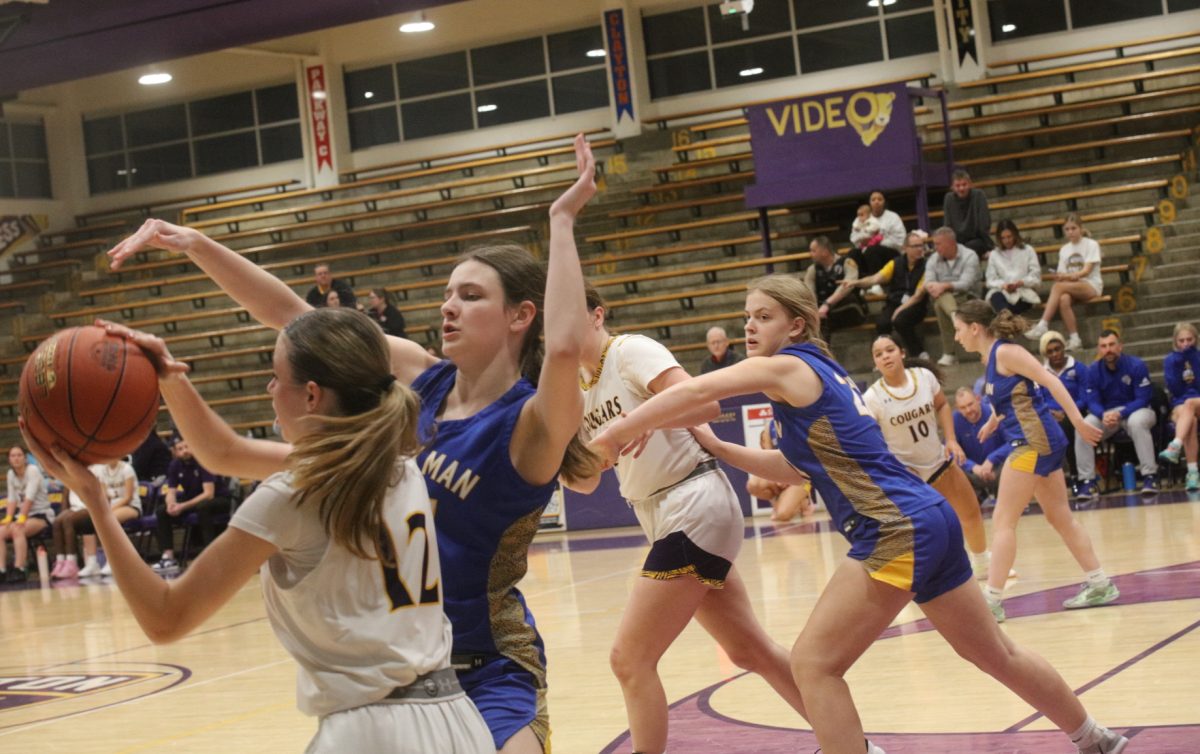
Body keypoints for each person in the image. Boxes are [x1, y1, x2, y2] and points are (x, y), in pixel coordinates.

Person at [105, 134, 602, 754]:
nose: (448, 306)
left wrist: (561, 219)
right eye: (448, 293)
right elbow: (297, 319)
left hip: (492, 669)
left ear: (521, 315)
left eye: (471, 296)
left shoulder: (529, 423)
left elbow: (564, 348)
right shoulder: (421, 383)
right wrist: (197, 244)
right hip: (402, 672)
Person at [589, 276, 1127, 754]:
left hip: (895, 528)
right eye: (747, 316)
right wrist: (720, 447)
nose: (749, 326)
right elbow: (797, 467)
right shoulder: (818, 375)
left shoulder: (786, 366)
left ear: (796, 325)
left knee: (813, 663)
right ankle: (1094, 738)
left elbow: (699, 388)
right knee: (995, 653)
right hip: (926, 518)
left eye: (763, 316)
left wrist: (619, 430)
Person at [21, 309, 493, 753]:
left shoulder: (292, 495)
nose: (269, 388)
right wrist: (169, 378)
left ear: (312, 395)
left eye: (276, 376)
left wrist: (98, 505)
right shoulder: (399, 465)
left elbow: (165, 617)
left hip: (374, 733)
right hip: (457, 721)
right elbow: (223, 452)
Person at [565, 284, 813, 754]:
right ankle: (853, 744)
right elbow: (586, 481)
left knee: (629, 659)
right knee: (750, 651)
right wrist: (542, 459)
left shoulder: (629, 352)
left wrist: (644, 419)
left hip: (692, 499)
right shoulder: (576, 390)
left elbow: (705, 406)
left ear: (597, 315)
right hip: (662, 513)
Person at [952, 301, 1119, 625]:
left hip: (1032, 443)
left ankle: (992, 602)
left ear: (974, 328)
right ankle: (1100, 583)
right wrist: (994, 422)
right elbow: (1015, 397)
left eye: (958, 329)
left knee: (1003, 521)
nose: (956, 337)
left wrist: (1079, 422)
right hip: (1040, 441)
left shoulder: (1006, 352)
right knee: (1059, 517)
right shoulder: (991, 359)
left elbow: (1050, 381)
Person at [863, 335, 993, 578]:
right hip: (907, 475)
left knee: (971, 511)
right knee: (925, 532)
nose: (885, 356)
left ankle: (982, 563)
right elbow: (871, 441)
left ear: (902, 352)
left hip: (938, 462)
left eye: (890, 350)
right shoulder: (872, 397)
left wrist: (951, 439)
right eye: (878, 354)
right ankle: (926, 578)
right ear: (875, 363)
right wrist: (895, 468)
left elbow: (942, 405)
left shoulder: (924, 377)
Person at [1073, 329, 1158, 500]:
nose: (1108, 349)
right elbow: (1092, 401)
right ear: (1099, 349)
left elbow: (1143, 399)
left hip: (1137, 411)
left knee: (1136, 422)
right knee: (1084, 427)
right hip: (1108, 416)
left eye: (1111, 345)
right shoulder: (1093, 370)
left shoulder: (1136, 365)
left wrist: (1121, 413)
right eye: (1103, 346)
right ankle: (1088, 482)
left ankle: (1150, 476)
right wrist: (1103, 414)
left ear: (1120, 346)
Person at [151, 435, 232, 573]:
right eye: (180, 449)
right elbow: (171, 491)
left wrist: (182, 506)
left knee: (203, 507)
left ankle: (211, 555)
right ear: (175, 452)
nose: (184, 451)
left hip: (218, 499)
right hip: (193, 500)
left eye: (187, 447)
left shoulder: (203, 461)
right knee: (161, 511)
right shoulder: (175, 465)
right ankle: (168, 557)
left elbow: (209, 494)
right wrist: (171, 504)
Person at [1024, 214, 1102, 350]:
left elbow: (1086, 271)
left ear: (1080, 228)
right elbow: (1062, 273)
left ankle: (1043, 324)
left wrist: (1070, 276)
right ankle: (1075, 339)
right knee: (1063, 299)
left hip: (1090, 285)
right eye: (1067, 229)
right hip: (1071, 286)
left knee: (1058, 287)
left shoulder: (1091, 244)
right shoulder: (1064, 249)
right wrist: (1060, 276)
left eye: (1073, 228)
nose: (1070, 232)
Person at [845, 230, 929, 358]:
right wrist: (856, 282)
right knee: (882, 323)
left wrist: (900, 310)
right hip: (895, 302)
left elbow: (918, 296)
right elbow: (875, 278)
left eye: (921, 245)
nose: (920, 249)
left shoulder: (927, 265)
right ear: (905, 248)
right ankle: (884, 355)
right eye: (915, 246)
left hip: (915, 304)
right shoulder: (895, 263)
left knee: (901, 320)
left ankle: (919, 353)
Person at [53, 458, 141, 579]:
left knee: (108, 520)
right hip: (111, 507)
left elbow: (128, 497)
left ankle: (112, 561)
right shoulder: (104, 471)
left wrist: (109, 509)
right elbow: (104, 495)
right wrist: (103, 508)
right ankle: (92, 562)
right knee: (91, 520)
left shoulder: (127, 469)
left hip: (130, 506)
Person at [925, 226, 981, 367]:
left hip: (967, 297)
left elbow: (966, 284)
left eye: (938, 244)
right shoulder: (933, 259)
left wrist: (944, 286)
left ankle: (949, 354)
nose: (935, 247)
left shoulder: (970, 256)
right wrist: (937, 287)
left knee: (940, 305)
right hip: (943, 297)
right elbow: (928, 282)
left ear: (950, 243)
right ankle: (955, 316)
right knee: (942, 298)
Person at [1040, 330, 1088, 487]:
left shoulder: (1079, 368)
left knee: (1066, 426)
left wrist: (1066, 412)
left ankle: (1075, 475)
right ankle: (1047, 480)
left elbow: (1085, 398)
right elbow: (1038, 398)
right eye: (1050, 351)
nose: (1055, 354)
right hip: (1050, 415)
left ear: (1063, 347)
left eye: (1057, 349)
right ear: (1045, 354)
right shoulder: (1040, 373)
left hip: (1075, 413)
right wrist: (1049, 412)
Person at [1, 446, 54, 583]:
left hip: (41, 515)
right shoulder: (11, 474)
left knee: (18, 530)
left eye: (19, 455)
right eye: (13, 456)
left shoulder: (33, 470)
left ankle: (20, 568)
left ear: (25, 458)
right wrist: (8, 518)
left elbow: (29, 497)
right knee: (0, 531)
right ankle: (2, 570)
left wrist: (22, 518)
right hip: (22, 516)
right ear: (9, 459)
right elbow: (12, 499)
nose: (16, 458)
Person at [1159, 321, 1200, 491]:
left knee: (1190, 403)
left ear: (1196, 339)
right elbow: (1175, 389)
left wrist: (1192, 359)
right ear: (1175, 341)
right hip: (1180, 403)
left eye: (1189, 339)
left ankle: (1175, 445)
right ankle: (1193, 473)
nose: (1185, 344)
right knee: (1191, 421)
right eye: (1181, 340)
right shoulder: (1170, 360)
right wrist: (1181, 361)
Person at [953, 387, 1011, 505]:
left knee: (1014, 460)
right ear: (958, 408)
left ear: (978, 399)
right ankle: (974, 502)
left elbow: (1013, 442)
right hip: (974, 472)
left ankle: (1008, 502)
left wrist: (992, 459)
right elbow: (951, 452)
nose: (968, 410)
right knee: (952, 468)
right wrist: (973, 467)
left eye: (970, 404)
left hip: (999, 469)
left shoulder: (994, 414)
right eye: (963, 407)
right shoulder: (955, 420)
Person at [803, 235, 865, 345]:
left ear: (825, 252)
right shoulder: (812, 270)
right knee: (820, 321)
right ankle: (822, 351)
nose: (810, 254)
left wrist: (827, 304)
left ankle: (820, 351)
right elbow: (809, 292)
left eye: (813, 251)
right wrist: (815, 310)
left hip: (850, 308)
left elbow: (848, 286)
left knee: (821, 321)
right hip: (825, 314)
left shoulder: (847, 262)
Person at [746, 424, 814, 521]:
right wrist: (777, 478)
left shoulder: (798, 422)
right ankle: (779, 501)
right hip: (783, 476)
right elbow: (769, 459)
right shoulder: (769, 427)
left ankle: (805, 499)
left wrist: (789, 477)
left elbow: (807, 457)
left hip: (802, 478)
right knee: (753, 485)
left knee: (782, 515)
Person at [985, 219, 1041, 315]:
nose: (1007, 241)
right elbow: (990, 280)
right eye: (1003, 238)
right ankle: (1006, 316)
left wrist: (1022, 282)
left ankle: (1006, 317)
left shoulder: (1028, 250)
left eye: (1009, 236)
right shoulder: (994, 254)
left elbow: (1036, 276)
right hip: (1002, 291)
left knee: (1016, 303)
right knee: (996, 297)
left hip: (1023, 291)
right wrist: (1003, 285)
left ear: (1015, 234)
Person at [850, 190, 906, 285]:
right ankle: (857, 285)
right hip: (866, 249)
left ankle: (875, 284)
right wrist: (862, 240)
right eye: (873, 199)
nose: (876, 202)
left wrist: (879, 241)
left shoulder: (893, 217)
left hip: (890, 253)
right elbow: (853, 237)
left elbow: (900, 240)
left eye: (880, 199)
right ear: (869, 203)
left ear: (884, 202)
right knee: (853, 253)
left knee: (872, 250)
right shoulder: (862, 217)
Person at [942, 168, 993, 256]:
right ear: (952, 187)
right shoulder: (949, 198)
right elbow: (948, 224)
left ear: (970, 184)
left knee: (967, 249)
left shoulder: (978, 195)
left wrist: (988, 245)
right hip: (957, 241)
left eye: (964, 184)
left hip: (977, 239)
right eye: (958, 186)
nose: (961, 188)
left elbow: (984, 223)